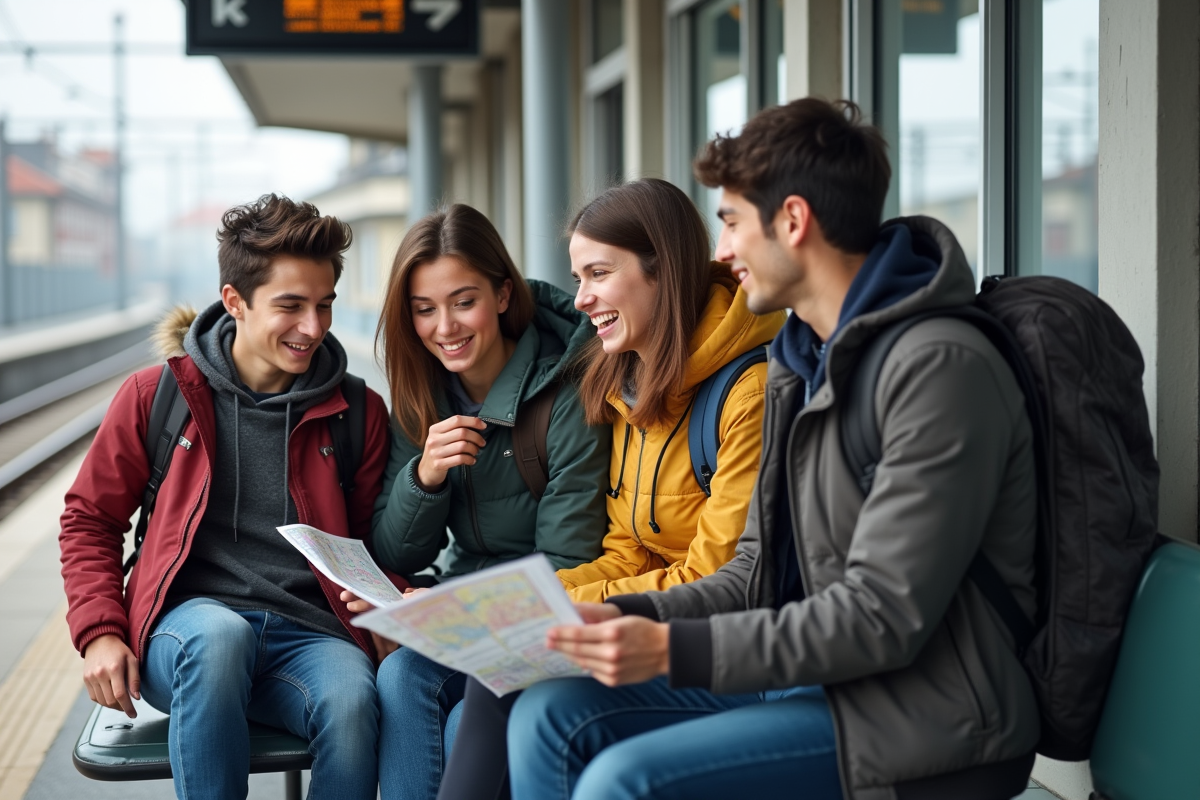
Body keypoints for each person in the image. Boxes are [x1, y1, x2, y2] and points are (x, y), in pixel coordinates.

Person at [504, 98, 1041, 800]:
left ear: (792, 221)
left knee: (624, 781)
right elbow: (754, 571)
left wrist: (670, 646)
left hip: (930, 721)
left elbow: (880, 617)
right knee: (549, 714)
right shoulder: (801, 359)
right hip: (806, 681)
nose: (719, 252)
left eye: (729, 222)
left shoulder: (939, 368)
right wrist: (628, 617)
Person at [432, 177, 786, 800]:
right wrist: (511, 602)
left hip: (722, 649)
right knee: (494, 674)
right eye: (577, 278)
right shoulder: (630, 383)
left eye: (598, 273)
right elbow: (627, 551)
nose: (582, 298)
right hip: (651, 628)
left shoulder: (748, 394)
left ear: (663, 271)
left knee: (511, 687)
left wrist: (565, 608)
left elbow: (719, 580)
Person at [59, 194, 392, 800]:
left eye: (324, 306)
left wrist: (385, 607)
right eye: (290, 306)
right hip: (186, 636)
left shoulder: (358, 411)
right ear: (234, 301)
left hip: (311, 635)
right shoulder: (157, 397)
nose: (312, 328)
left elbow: (375, 537)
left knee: (352, 700)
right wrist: (100, 631)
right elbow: (89, 517)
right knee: (220, 638)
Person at [366, 203, 610, 800]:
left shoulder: (568, 395)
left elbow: (569, 563)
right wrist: (424, 476)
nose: (444, 327)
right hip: (469, 600)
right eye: (423, 310)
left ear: (503, 295)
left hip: (549, 616)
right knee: (399, 673)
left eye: (463, 301)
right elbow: (395, 547)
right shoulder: (422, 395)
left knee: (453, 722)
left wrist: (447, 609)